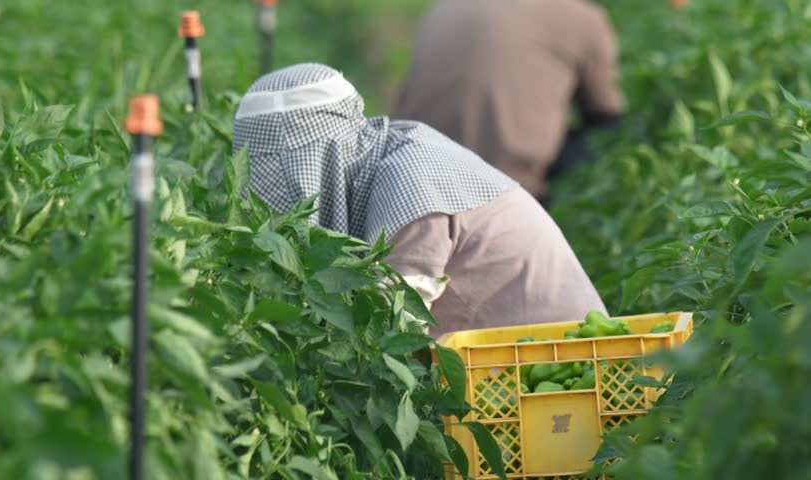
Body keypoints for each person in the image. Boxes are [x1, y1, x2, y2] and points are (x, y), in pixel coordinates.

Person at [232, 63, 606, 337]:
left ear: (331, 150)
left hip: (558, 361)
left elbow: (390, 329)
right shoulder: (392, 152)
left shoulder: (411, 188)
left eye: (294, 171)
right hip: (509, 363)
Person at [394, 0, 625, 203]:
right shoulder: (582, 17)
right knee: (604, 135)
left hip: (407, 175)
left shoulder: (444, 8)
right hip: (503, 189)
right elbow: (607, 115)